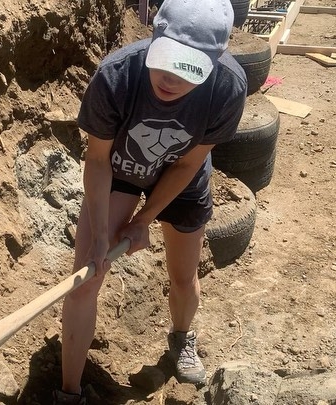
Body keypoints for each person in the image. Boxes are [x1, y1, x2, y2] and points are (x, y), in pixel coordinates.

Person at [54, 0, 247, 402]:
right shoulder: (116, 76)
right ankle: (69, 391)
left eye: (188, 68)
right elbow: (97, 159)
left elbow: (187, 164)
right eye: (166, 59)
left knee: (182, 275)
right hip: (120, 168)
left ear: (215, 59)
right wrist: (103, 237)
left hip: (183, 177)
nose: (171, 79)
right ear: (154, 34)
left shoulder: (228, 87)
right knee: (85, 280)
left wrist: (145, 219)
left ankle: (181, 338)